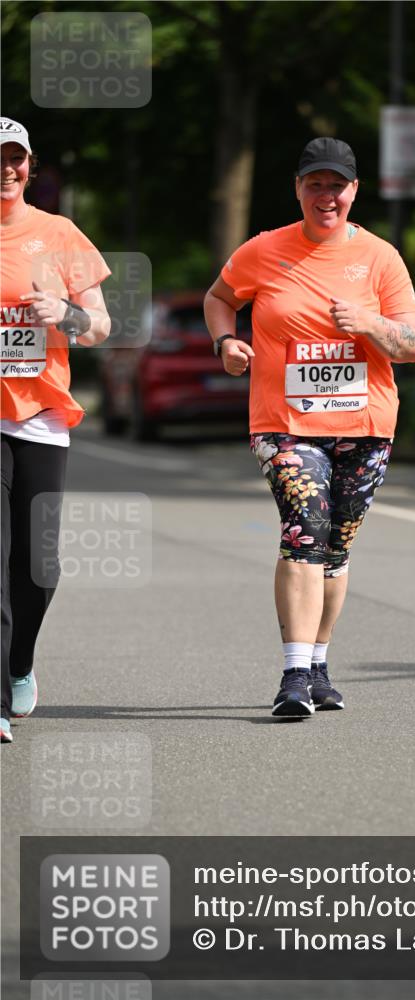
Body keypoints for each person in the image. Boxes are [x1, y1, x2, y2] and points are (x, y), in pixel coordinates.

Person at [204, 136, 415, 718]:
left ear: (355, 190)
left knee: (336, 545)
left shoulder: (380, 258)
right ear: (298, 188)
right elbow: (220, 297)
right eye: (315, 183)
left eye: (337, 185)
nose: (327, 195)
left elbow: (412, 345)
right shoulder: (264, 250)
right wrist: (226, 340)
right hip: (286, 423)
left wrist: (370, 323)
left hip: (366, 423)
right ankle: (294, 675)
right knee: (305, 529)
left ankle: (319, 663)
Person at [0, 118, 111, 743]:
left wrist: (62, 312)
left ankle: (20, 664)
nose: (6, 170)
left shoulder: (59, 235)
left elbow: (99, 326)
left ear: (30, 166)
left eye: (16, 159)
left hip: (41, 416)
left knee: (38, 567)